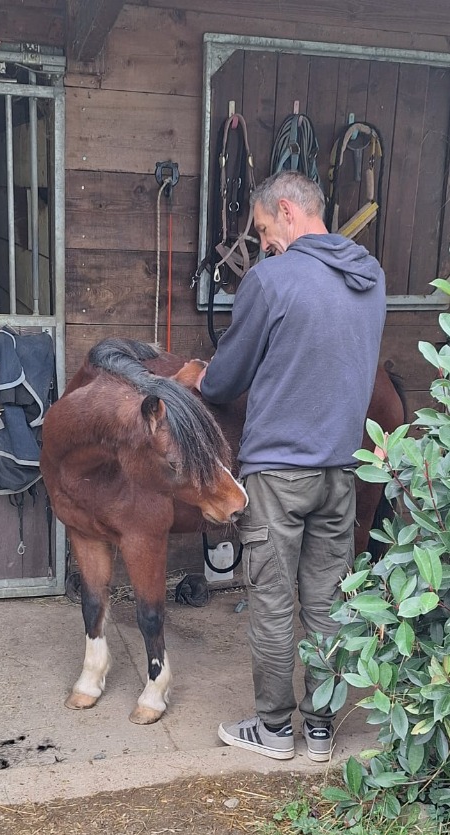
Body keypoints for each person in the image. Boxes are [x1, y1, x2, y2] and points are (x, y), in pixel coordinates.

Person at [193, 170, 386, 762]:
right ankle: (322, 728)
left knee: (274, 600)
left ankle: (275, 729)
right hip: (341, 470)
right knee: (327, 601)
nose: (264, 241)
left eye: (264, 228)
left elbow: (227, 377)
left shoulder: (271, 281)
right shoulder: (370, 278)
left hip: (278, 470)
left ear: (287, 211)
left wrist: (203, 376)